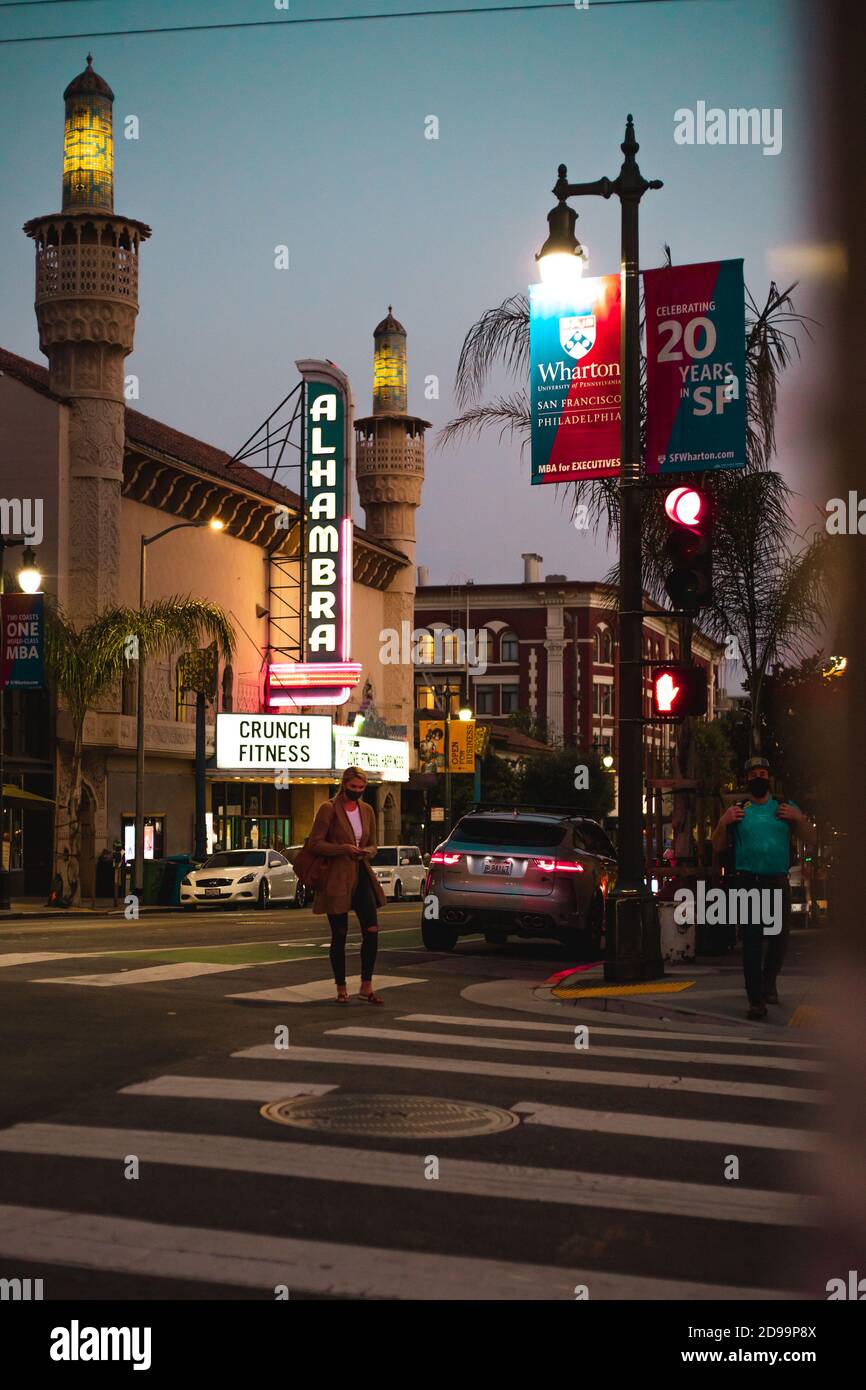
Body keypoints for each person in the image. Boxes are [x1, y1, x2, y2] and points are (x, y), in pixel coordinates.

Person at [711, 755, 816, 1020]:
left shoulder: (783, 807)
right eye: (753, 774)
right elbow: (717, 846)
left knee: (780, 939)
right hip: (748, 882)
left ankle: (769, 982)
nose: (759, 777)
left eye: (763, 773)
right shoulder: (739, 810)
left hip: (777, 882)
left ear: (769, 777)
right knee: (753, 942)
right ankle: (755, 999)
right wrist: (723, 822)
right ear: (746, 779)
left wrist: (799, 818)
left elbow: (811, 838)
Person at [307, 766, 387, 1005]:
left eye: (361, 788)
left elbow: (374, 844)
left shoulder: (367, 810)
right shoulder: (328, 809)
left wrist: (367, 851)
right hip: (336, 877)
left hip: (361, 872)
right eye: (353, 787)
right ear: (344, 785)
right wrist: (343, 849)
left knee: (371, 930)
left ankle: (366, 985)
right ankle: (341, 987)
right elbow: (314, 844)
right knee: (339, 934)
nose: (357, 792)